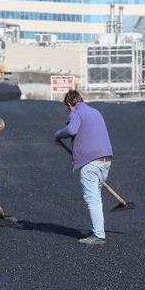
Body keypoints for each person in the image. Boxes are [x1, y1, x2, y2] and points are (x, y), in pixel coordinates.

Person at [55, 90, 113, 246]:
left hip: (90, 162)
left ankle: (99, 235)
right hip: (106, 159)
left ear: (69, 104)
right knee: (96, 196)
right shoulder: (95, 112)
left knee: (92, 198)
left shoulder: (76, 113)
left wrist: (58, 134)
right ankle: (96, 228)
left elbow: (72, 130)